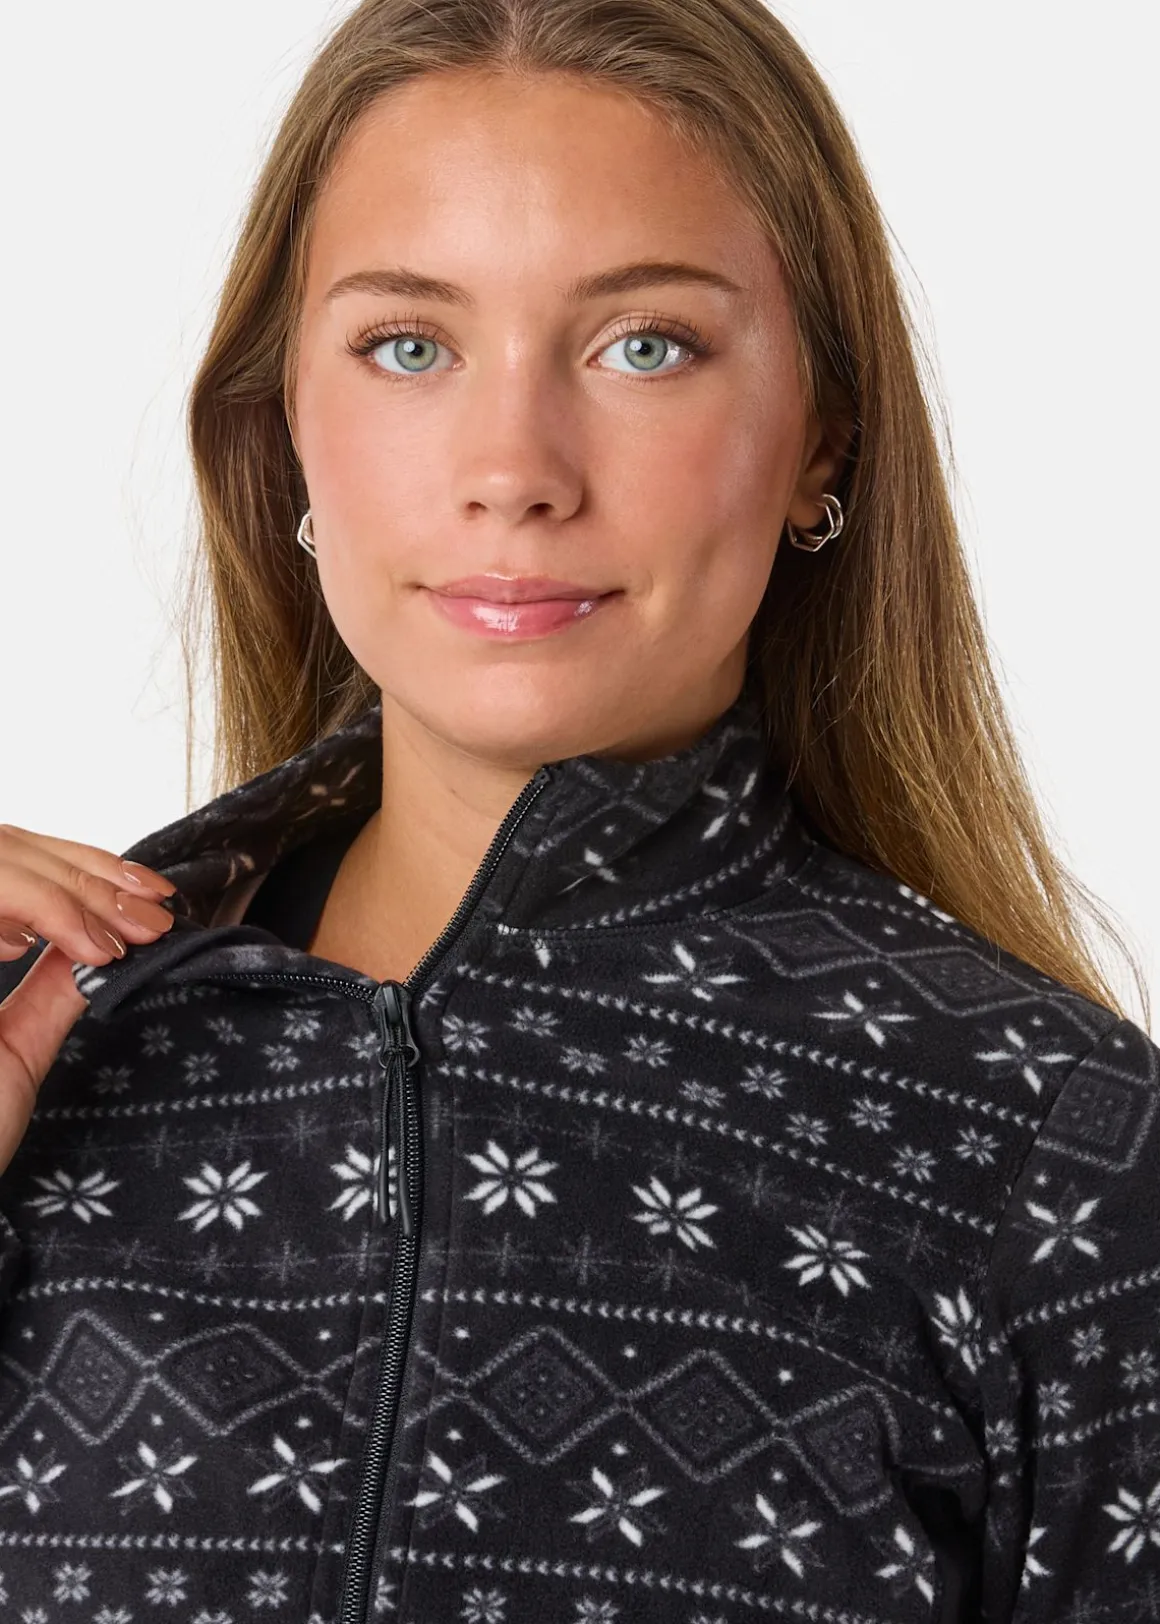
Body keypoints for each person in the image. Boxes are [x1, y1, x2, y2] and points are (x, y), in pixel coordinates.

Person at [0, 0, 1154, 1618]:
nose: (515, 470)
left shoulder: (1062, 1158)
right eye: (411, 346)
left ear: (820, 442)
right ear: (285, 427)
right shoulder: (48, 1044)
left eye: (644, 345)